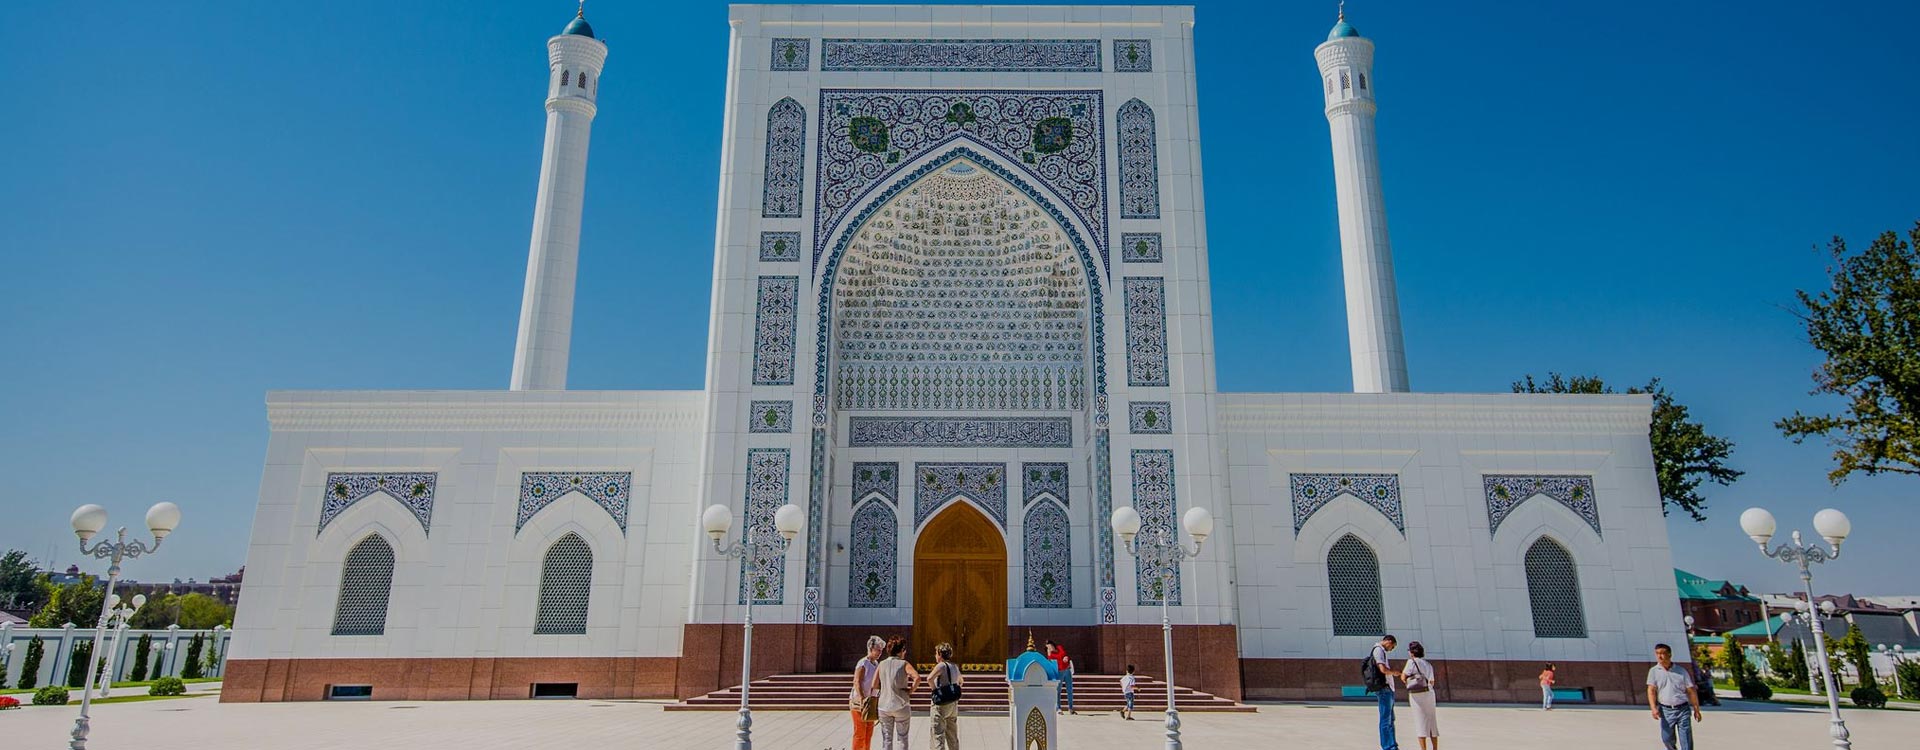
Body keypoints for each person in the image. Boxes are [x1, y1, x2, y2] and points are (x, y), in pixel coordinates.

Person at [1647, 643, 1703, 750]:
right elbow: (1651, 690)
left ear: (1669, 655)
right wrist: (1653, 708)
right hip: (1665, 709)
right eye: (1657, 653)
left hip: (1682, 708)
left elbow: (1691, 690)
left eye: (1663, 653)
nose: (1660, 656)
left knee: (1686, 737)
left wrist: (1696, 709)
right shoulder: (1654, 672)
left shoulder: (1681, 671)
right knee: (1667, 738)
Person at [877, 636, 922, 750]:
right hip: (901, 704)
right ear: (901, 650)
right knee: (902, 737)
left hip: (883, 706)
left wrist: (885, 688)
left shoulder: (881, 664)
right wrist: (911, 690)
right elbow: (917, 678)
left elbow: (873, 684)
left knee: (887, 738)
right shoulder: (904, 664)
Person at [850, 635, 885, 750]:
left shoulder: (876, 664)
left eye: (881, 650)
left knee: (868, 732)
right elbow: (857, 681)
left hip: (870, 702)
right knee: (860, 733)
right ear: (871, 648)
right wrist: (861, 698)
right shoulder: (863, 663)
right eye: (878, 650)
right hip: (859, 703)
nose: (880, 653)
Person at [1402, 642, 1438, 750]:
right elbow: (1432, 681)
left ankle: (1423, 748)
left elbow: (1403, 677)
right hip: (1429, 693)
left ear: (1412, 652)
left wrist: (1410, 682)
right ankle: (1435, 748)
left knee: (1420, 721)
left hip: (1417, 695)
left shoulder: (1411, 662)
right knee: (1431, 721)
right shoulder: (1428, 664)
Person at [928, 642, 963, 750]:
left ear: (940, 654)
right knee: (952, 735)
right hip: (952, 704)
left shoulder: (941, 666)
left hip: (941, 704)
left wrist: (935, 690)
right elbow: (961, 681)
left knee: (938, 734)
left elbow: (929, 678)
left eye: (936, 653)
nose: (935, 656)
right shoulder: (954, 666)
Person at [1370, 634, 1402, 750]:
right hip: (1384, 689)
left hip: (1388, 689)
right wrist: (1394, 672)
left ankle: (1392, 744)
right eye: (1392, 646)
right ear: (1388, 641)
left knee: (1390, 719)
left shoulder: (1381, 651)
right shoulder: (1378, 650)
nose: (1391, 649)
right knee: (1385, 719)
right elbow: (1382, 669)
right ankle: (1388, 746)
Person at [1046, 641, 1076, 714]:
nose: (1050, 648)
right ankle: (1058, 708)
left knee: (1070, 689)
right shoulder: (1051, 654)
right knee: (1058, 690)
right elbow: (1050, 663)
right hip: (1059, 672)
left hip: (1067, 670)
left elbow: (1065, 655)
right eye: (1048, 647)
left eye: (1050, 646)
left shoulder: (1060, 647)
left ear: (1053, 645)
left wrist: (1066, 658)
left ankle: (1071, 708)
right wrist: (1049, 654)